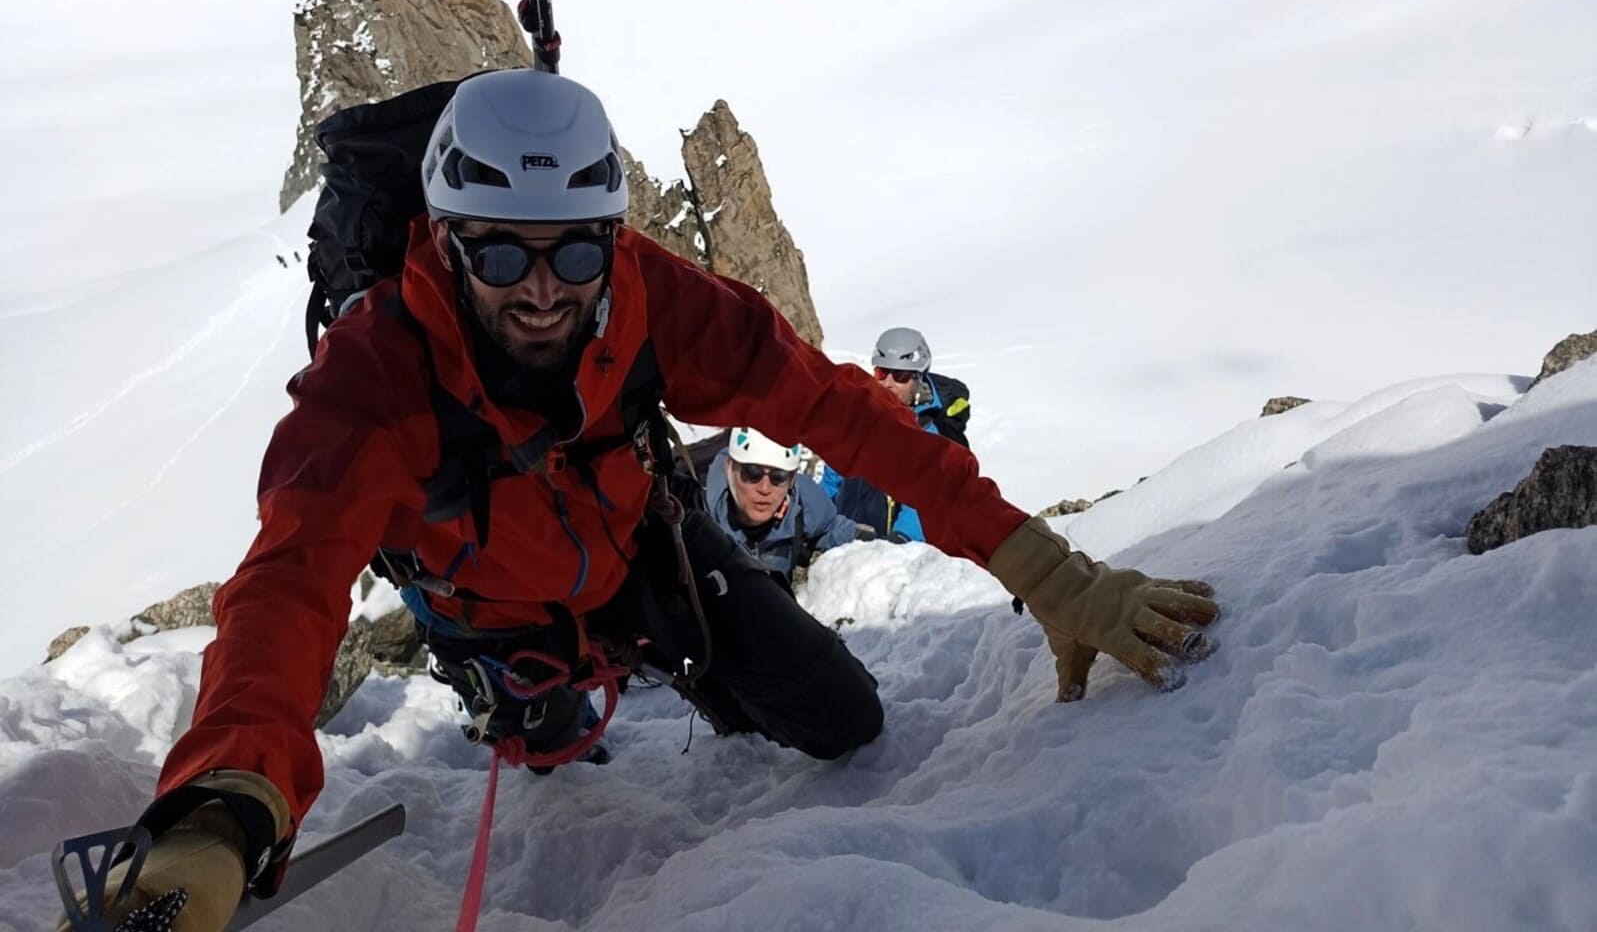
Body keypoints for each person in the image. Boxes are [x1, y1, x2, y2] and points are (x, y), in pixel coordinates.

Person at [65, 70, 1217, 932]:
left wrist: (1048, 572)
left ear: (612, 239)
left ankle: (636, 673)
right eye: (499, 258)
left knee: (845, 720)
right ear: (443, 239)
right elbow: (289, 588)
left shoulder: (650, 298)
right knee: (550, 743)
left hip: (644, 560)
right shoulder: (376, 374)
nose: (540, 294)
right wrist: (225, 804)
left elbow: (844, 415)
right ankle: (527, 704)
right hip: (493, 610)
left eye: (571, 257)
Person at [822, 327, 972, 541]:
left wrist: (900, 541)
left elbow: (924, 503)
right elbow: (831, 482)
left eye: (900, 375)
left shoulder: (932, 435)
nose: (888, 384)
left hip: (893, 558)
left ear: (918, 378)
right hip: (844, 552)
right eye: (882, 373)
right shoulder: (858, 421)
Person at [706, 427, 862, 579]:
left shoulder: (805, 505)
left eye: (778, 477)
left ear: (792, 479)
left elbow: (837, 531)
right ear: (729, 468)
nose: (764, 488)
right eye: (752, 472)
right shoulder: (701, 510)